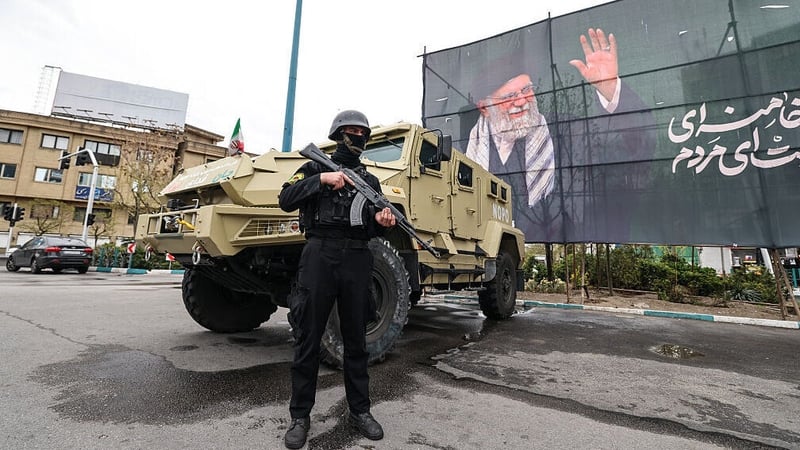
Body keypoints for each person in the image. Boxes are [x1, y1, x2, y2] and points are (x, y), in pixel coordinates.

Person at [464, 28, 654, 243]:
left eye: (526, 90)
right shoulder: (466, 153)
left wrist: (610, 90)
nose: (521, 101)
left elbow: (634, 148)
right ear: (485, 108)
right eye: (509, 96)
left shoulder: (567, 129)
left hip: (562, 252)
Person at [278, 110, 396, 449]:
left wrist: (384, 220)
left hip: (358, 258)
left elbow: (371, 223)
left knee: (356, 340)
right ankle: (300, 416)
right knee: (308, 337)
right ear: (337, 134)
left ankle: (360, 411)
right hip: (319, 254)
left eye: (362, 132)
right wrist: (322, 181)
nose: (357, 136)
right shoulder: (315, 166)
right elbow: (285, 198)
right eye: (351, 131)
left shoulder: (370, 182)